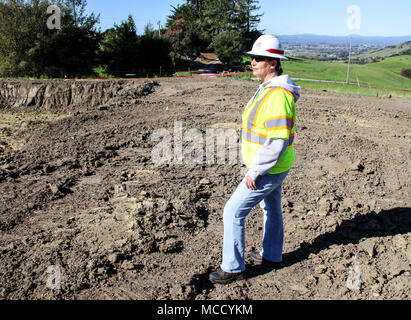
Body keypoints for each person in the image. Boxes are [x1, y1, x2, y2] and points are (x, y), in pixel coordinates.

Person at [209, 34, 301, 284]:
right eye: (252, 57)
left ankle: (233, 267)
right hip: (270, 167)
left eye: (259, 58)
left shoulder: (278, 95)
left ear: (273, 63)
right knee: (271, 209)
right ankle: (271, 255)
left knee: (232, 211)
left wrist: (255, 171)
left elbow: (278, 141)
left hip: (268, 169)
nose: (253, 62)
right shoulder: (266, 89)